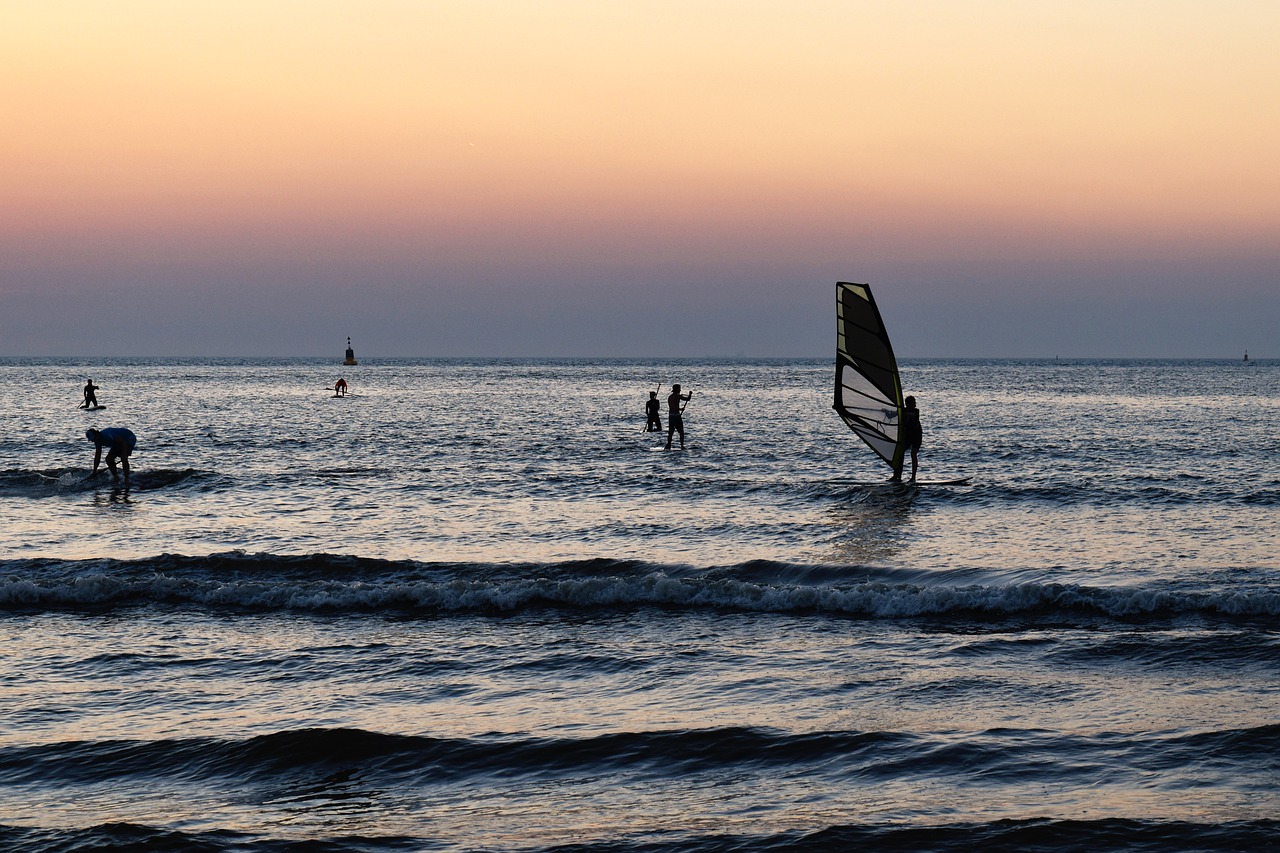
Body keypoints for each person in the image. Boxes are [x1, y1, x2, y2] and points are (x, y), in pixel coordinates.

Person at [892, 395, 922, 482]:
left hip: (917, 436)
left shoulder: (916, 411)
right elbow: (893, 415)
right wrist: (888, 412)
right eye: (913, 403)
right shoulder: (903, 411)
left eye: (915, 403)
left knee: (913, 454)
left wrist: (900, 411)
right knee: (899, 454)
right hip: (908, 436)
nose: (915, 404)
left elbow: (910, 416)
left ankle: (913, 477)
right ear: (908, 404)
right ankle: (897, 476)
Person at [665, 384, 692, 450]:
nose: (680, 390)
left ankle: (670, 445)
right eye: (679, 389)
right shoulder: (674, 397)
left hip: (672, 416)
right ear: (676, 389)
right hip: (675, 416)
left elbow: (687, 399)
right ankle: (680, 445)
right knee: (680, 432)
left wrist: (689, 395)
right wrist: (680, 409)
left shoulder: (672, 397)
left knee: (671, 432)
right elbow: (672, 407)